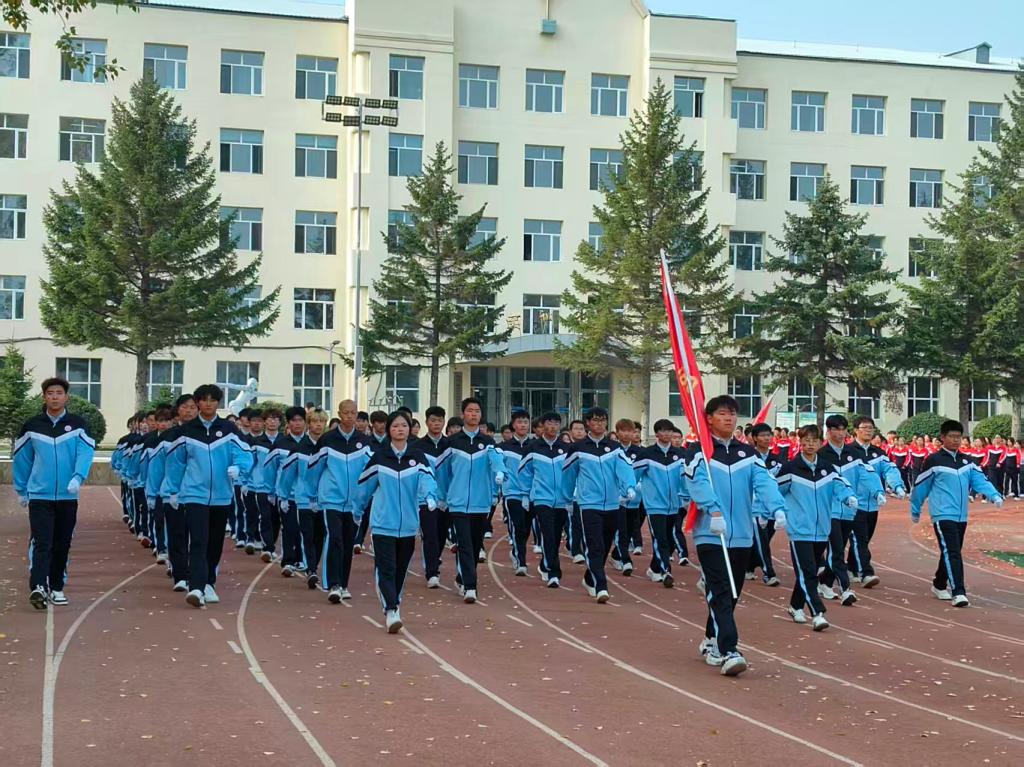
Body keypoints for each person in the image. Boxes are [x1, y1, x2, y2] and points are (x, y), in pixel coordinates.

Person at [683, 395, 787, 677]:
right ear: (709, 419)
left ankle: (711, 638)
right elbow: (696, 482)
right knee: (719, 588)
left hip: (741, 533)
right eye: (722, 413)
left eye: (732, 414)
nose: (728, 418)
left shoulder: (748, 454)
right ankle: (728, 649)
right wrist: (713, 510)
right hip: (711, 533)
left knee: (732, 592)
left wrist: (777, 507)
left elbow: (764, 482)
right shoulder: (699, 451)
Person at [164, 384, 254, 607]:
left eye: (213, 400)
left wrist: (239, 468)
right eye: (203, 400)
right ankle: (196, 586)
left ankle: (208, 583)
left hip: (222, 495)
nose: (208, 404)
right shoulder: (186, 431)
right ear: (198, 403)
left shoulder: (229, 429)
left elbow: (244, 453)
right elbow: (175, 463)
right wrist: (173, 491)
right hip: (194, 494)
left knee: (214, 542)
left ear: (218, 403)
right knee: (198, 540)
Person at [14, 377, 96, 608]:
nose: (55, 397)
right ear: (44, 397)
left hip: (68, 495)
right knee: (42, 542)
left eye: (59, 393)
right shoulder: (32, 426)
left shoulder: (78, 424)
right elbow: (22, 459)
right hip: (40, 495)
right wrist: (21, 489)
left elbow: (85, 453)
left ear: (66, 397)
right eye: (50, 393)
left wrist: (78, 477)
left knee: (62, 543)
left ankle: (57, 587)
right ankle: (38, 586)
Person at [356, 411, 438, 633]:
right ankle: (391, 609)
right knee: (387, 569)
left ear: (409, 429)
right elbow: (364, 486)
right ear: (389, 430)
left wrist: (430, 496)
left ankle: (394, 603)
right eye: (395, 426)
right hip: (383, 523)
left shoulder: (417, 457)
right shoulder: (379, 457)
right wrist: (357, 510)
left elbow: (427, 479)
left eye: (404, 425)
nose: (400, 429)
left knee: (401, 569)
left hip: (408, 525)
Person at [910, 420, 1003, 607]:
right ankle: (958, 592)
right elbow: (921, 486)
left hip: (961, 515)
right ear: (943, 437)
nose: (955, 440)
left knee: (951, 550)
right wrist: (916, 509)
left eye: (958, 437)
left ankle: (939, 584)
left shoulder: (967, 461)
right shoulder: (934, 460)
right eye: (951, 436)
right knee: (952, 551)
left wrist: (993, 495)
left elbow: (979, 480)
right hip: (942, 514)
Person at [776, 425, 858, 631]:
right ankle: (817, 613)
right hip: (799, 529)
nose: (810, 444)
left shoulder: (827, 468)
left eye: (814, 440)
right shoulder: (790, 468)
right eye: (806, 440)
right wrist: (772, 512)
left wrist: (848, 497)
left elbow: (840, 485)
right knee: (808, 572)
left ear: (820, 443)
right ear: (800, 442)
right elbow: (774, 492)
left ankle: (796, 606)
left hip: (822, 529)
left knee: (809, 571)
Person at [561, 407, 637, 603]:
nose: (599, 423)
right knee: (594, 545)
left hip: (612, 503)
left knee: (604, 546)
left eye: (602, 420)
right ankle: (601, 586)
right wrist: (567, 498)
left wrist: (629, 487)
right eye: (595, 420)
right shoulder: (578, 448)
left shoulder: (614, 447)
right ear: (588, 423)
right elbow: (568, 475)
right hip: (588, 503)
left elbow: (625, 468)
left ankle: (589, 578)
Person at [435, 397, 503, 603]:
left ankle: (462, 577)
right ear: (463, 413)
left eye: (477, 411)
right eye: (470, 410)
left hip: (481, 502)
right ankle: (471, 586)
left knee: (474, 544)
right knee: (464, 543)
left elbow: (496, 465)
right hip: (457, 502)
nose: (474, 414)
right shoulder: (451, 442)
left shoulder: (488, 443)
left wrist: (494, 491)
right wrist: (442, 496)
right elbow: (442, 471)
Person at [307, 399, 373, 603]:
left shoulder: (364, 441)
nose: (350, 417)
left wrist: (366, 496)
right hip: (331, 499)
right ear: (339, 413)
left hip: (354, 502)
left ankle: (344, 584)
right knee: (334, 538)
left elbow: (371, 471)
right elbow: (314, 468)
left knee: (347, 542)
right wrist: (312, 495)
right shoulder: (327, 439)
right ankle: (333, 584)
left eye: (353, 413)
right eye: (346, 413)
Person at [846, 416, 907, 585]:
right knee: (859, 538)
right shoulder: (848, 452)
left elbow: (889, 469)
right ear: (856, 430)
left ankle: (851, 567)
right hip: (853, 504)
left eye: (870, 428)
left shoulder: (878, 453)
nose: (868, 431)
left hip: (873, 504)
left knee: (864, 539)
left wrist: (897, 486)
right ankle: (866, 572)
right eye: (864, 428)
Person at [518, 411, 570, 588]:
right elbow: (524, 472)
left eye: (556, 423)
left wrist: (572, 495)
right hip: (542, 498)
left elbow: (573, 473)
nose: (553, 427)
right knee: (547, 534)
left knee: (556, 536)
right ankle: (553, 572)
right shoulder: (533, 447)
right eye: (549, 423)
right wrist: (525, 494)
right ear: (542, 425)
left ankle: (544, 564)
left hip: (562, 499)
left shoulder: (566, 448)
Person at [634, 418, 686, 587]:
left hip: (674, 504)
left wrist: (687, 497)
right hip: (654, 505)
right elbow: (633, 475)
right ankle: (666, 571)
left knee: (670, 540)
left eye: (669, 431)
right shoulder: (647, 454)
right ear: (656, 434)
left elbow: (686, 479)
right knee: (660, 539)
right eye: (663, 430)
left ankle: (654, 568)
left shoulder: (679, 455)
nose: (667, 434)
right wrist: (630, 490)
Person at [157, 394, 198, 592]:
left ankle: (196, 574)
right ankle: (180, 575)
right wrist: (157, 492)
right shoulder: (168, 436)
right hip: (172, 495)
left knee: (197, 536)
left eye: (192, 407)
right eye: (184, 407)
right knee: (177, 535)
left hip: (197, 494)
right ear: (178, 410)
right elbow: (159, 467)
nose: (189, 411)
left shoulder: (203, 434)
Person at [416, 406, 450, 588]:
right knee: (429, 535)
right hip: (424, 499)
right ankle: (432, 572)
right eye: (433, 420)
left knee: (442, 534)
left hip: (445, 499)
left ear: (444, 422)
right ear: (427, 422)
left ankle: (434, 560)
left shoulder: (450, 445)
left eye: (439, 420)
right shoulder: (418, 447)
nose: (436, 424)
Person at [274, 407, 311, 577]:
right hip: (287, 495)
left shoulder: (311, 443)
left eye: (300, 420)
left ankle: (302, 559)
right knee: (289, 527)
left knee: (305, 529)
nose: (297, 424)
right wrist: (275, 493)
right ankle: (288, 561)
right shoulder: (281, 444)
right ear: (288, 424)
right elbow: (272, 468)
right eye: (294, 421)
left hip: (306, 495)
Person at [746, 423, 783, 586]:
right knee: (761, 540)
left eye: (769, 435)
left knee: (764, 540)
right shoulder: (748, 458)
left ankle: (748, 566)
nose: (766, 438)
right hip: (754, 508)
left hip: (771, 508)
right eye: (762, 435)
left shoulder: (777, 461)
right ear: (754, 438)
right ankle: (769, 574)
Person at [499, 409, 535, 575]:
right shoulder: (504, 447)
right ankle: (521, 561)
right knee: (518, 526)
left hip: (531, 494)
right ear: (513, 425)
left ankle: (516, 552)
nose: (523, 425)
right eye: (520, 422)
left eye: (526, 422)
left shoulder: (535, 446)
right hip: (512, 493)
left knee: (526, 528)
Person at [140, 405, 174, 567]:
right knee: (158, 518)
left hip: (175, 489)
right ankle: (161, 548)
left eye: (167, 421)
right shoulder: (151, 441)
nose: (163, 424)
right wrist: (150, 490)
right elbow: (147, 467)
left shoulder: (177, 438)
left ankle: (170, 549)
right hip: (157, 487)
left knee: (174, 522)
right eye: (160, 421)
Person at [253, 407, 286, 563]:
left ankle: (271, 543)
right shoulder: (257, 442)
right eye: (269, 419)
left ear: (280, 422)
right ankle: (268, 548)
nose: (272, 422)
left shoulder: (284, 441)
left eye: (276, 419)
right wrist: (246, 482)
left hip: (279, 487)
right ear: (264, 422)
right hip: (262, 486)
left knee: (276, 518)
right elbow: (250, 463)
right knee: (265, 516)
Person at [609, 418, 640, 576]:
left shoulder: (639, 452)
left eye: (630, 431)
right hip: (617, 499)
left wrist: (638, 486)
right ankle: (626, 560)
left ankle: (616, 555)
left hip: (634, 500)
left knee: (630, 529)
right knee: (621, 531)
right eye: (623, 431)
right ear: (617, 432)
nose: (627, 434)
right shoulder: (611, 450)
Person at [241, 409, 265, 555]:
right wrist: (243, 481)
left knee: (264, 513)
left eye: (259, 421)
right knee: (250, 511)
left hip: (264, 484)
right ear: (249, 423)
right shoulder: (244, 440)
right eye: (254, 421)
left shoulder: (268, 441)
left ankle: (259, 537)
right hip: (248, 483)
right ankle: (249, 537)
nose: (257, 424)